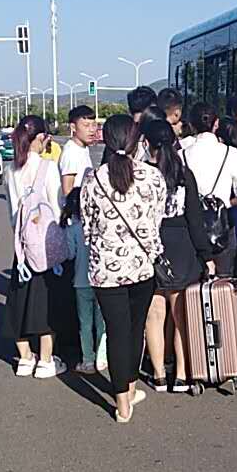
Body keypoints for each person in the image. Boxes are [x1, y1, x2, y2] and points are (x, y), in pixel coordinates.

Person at [80, 115, 166, 422]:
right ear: (135, 141)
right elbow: (157, 221)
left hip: (105, 270)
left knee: (116, 331)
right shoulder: (153, 176)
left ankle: (122, 405)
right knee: (134, 329)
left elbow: (87, 229)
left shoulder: (92, 180)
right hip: (141, 267)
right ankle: (129, 388)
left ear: (106, 139)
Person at [140, 120, 213, 393]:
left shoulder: (142, 174)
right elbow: (195, 219)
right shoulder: (184, 174)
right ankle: (181, 374)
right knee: (181, 314)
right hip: (182, 245)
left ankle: (158, 373)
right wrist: (205, 255)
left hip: (152, 245)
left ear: (147, 143)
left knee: (154, 313)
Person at [4, 115, 67, 378]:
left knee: (19, 302)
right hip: (45, 246)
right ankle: (46, 360)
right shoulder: (47, 167)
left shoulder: (11, 169)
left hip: (22, 246)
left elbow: (12, 212)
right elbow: (57, 207)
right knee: (45, 303)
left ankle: (25, 358)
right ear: (40, 138)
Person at [180, 102, 237, 277]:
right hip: (222, 225)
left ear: (191, 125)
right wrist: (228, 202)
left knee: (194, 282)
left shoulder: (181, 154)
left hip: (190, 228)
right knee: (224, 280)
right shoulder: (230, 153)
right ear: (216, 124)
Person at [62, 187, 107, 374]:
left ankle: (87, 360)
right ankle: (102, 357)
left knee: (85, 323)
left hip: (80, 281)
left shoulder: (72, 229)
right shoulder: (100, 226)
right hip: (101, 280)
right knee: (102, 322)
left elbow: (70, 254)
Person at [60, 105, 97, 196]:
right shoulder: (71, 152)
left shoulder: (83, 148)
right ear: (73, 127)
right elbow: (67, 191)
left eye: (94, 125)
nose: (92, 130)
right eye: (86, 125)